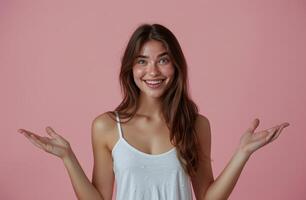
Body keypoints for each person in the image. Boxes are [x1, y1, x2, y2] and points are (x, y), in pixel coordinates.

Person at [18, 23, 290, 200]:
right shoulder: (107, 126)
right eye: (142, 61)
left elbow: (207, 197)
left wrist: (242, 153)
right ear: (131, 68)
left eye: (163, 60)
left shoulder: (195, 125)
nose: (153, 72)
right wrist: (68, 157)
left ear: (176, 67)